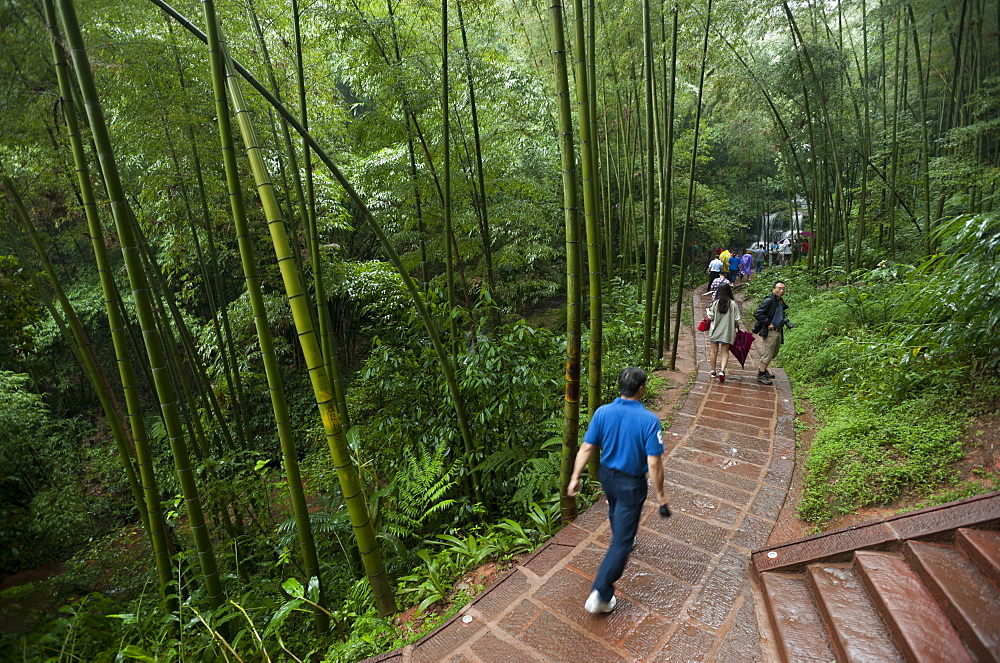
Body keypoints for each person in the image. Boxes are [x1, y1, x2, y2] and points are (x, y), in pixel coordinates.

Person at [567, 368, 671, 614]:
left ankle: (623, 535)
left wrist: (574, 478)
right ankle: (601, 594)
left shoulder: (603, 412)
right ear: (641, 389)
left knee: (615, 508)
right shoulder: (648, 420)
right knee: (621, 542)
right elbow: (654, 462)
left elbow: (586, 448)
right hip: (631, 483)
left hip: (607, 476)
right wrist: (662, 494)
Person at [753, 281, 791, 385]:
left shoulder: (779, 301)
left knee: (774, 352)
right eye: (779, 288)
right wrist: (768, 323)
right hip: (770, 331)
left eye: (783, 288)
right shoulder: (769, 300)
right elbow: (758, 313)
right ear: (773, 289)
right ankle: (761, 375)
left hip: (778, 330)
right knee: (768, 353)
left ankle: (764, 371)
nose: (781, 291)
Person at [706, 283, 740, 383]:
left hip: (715, 330)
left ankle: (713, 371)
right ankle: (722, 371)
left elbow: (710, 317)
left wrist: (708, 311)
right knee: (725, 352)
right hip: (727, 331)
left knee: (713, 351)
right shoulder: (733, 304)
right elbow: (736, 319)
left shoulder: (715, 303)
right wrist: (737, 327)